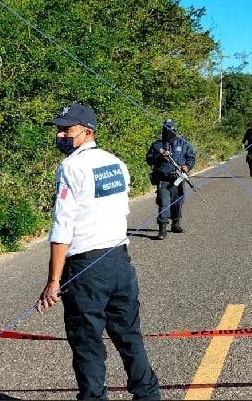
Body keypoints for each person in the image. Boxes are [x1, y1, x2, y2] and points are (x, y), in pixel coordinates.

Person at [37, 103, 160, 400]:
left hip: (85, 266)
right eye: (59, 129)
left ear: (87, 132)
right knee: (129, 336)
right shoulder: (116, 163)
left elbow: (62, 226)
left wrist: (53, 281)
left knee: (87, 343)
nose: (61, 134)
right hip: (119, 261)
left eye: (67, 129)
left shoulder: (70, 167)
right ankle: (148, 395)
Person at [145, 119, 196, 240]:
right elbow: (149, 159)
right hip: (163, 179)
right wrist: (159, 157)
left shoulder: (183, 143)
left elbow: (191, 157)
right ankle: (162, 229)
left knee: (178, 201)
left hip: (178, 178)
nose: (167, 132)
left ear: (174, 130)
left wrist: (187, 166)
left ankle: (176, 223)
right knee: (164, 202)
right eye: (165, 129)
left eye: (170, 130)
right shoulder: (157, 145)